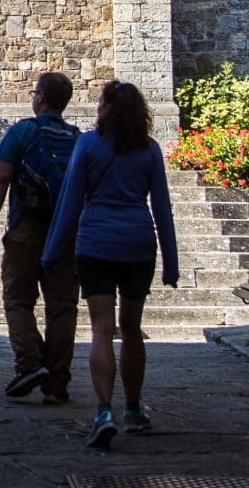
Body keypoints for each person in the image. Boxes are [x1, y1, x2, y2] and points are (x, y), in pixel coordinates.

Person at [41, 80, 180, 449]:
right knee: (132, 330)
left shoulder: (87, 144)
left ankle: (104, 410)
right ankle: (133, 408)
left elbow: (70, 203)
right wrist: (172, 263)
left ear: (106, 109)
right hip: (138, 243)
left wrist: (51, 253)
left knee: (101, 329)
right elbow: (162, 209)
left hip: (96, 242)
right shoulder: (149, 150)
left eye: (100, 103)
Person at [0, 72, 80, 402]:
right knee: (63, 307)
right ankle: (57, 383)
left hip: (26, 227)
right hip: (65, 232)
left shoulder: (23, 131)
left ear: (40, 98)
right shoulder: (77, 138)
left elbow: (1, 178)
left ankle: (29, 363)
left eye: (35, 91)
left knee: (18, 299)